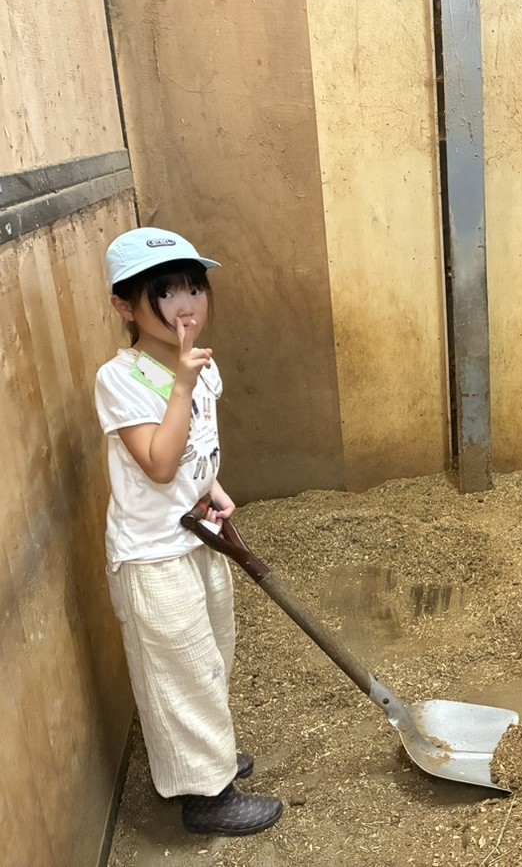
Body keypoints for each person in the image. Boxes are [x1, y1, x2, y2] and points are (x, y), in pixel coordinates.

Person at [95, 227, 283, 836]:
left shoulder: (204, 366)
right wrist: (179, 381)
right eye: (165, 292)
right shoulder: (120, 379)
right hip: (152, 556)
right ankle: (206, 796)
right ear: (125, 306)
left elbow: (195, 448)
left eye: (194, 289)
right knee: (180, 673)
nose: (186, 306)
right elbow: (157, 463)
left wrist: (211, 489)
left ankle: (209, 758)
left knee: (211, 657)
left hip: (196, 535)